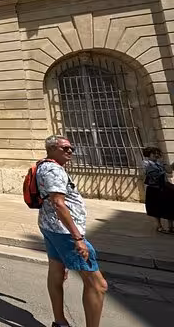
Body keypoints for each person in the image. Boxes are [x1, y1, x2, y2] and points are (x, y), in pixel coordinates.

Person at [37, 135, 107, 327]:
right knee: (98, 284)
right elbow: (59, 203)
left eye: (71, 148)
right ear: (51, 149)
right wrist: (77, 237)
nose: (70, 151)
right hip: (64, 231)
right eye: (65, 148)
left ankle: (60, 322)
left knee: (56, 271)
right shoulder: (52, 169)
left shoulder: (48, 166)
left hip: (51, 227)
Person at [142, 146, 174, 234]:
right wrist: (164, 169)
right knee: (155, 208)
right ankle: (159, 226)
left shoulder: (160, 163)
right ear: (149, 154)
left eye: (157, 154)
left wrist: (168, 165)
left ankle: (171, 226)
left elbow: (169, 171)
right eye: (154, 153)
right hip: (154, 188)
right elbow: (154, 174)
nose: (156, 155)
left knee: (170, 206)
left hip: (163, 186)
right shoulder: (146, 163)